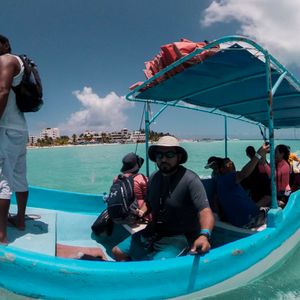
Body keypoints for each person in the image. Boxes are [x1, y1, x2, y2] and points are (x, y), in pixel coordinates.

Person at [112, 136, 215, 261]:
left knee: (157, 266)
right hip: (153, 232)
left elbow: (205, 211)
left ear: (179, 157)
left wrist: (204, 235)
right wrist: (140, 213)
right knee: (117, 252)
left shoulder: (190, 180)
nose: (164, 159)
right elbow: (149, 203)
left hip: (179, 237)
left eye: (169, 154)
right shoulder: (154, 177)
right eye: (159, 155)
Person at [0, 35, 29, 243]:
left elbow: (2, 91)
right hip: (19, 129)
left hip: (5, 128)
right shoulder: (20, 64)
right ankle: (20, 220)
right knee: (19, 175)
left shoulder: (7, 60)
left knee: (1, 180)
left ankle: (1, 236)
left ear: (5, 45)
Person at [214, 143, 270, 228]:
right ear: (222, 169)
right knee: (277, 206)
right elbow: (243, 174)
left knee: (266, 199)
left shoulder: (220, 181)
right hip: (249, 219)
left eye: (231, 162)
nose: (231, 163)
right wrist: (258, 154)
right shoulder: (227, 178)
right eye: (228, 163)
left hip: (242, 218)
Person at [118, 152, 148, 219]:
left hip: (121, 213)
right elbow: (150, 197)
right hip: (140, 215)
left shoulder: (117, 179)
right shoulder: (142, 179)